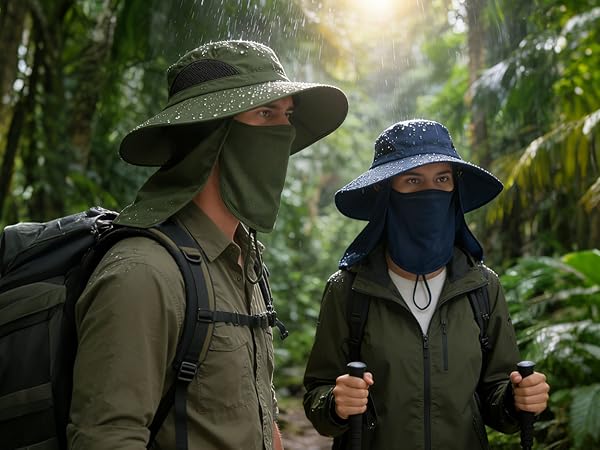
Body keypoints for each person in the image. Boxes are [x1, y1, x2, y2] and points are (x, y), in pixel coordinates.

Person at [66, 40, 348, 450]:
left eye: (287, 116)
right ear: (211, 132)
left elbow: (254, 405)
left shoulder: (244, 262)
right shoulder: (144, 272)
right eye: (265, 113)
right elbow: (107, 437)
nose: (283, 133)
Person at [303, 119, 550, 449]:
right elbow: (317, 395)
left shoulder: (482, 287)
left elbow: (495, 395)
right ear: (385, 189)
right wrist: (336, 403)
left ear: (455, 189)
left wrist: (518, 397)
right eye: (413, 180)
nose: (429, 191)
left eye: (442, 179)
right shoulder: (348, 290)